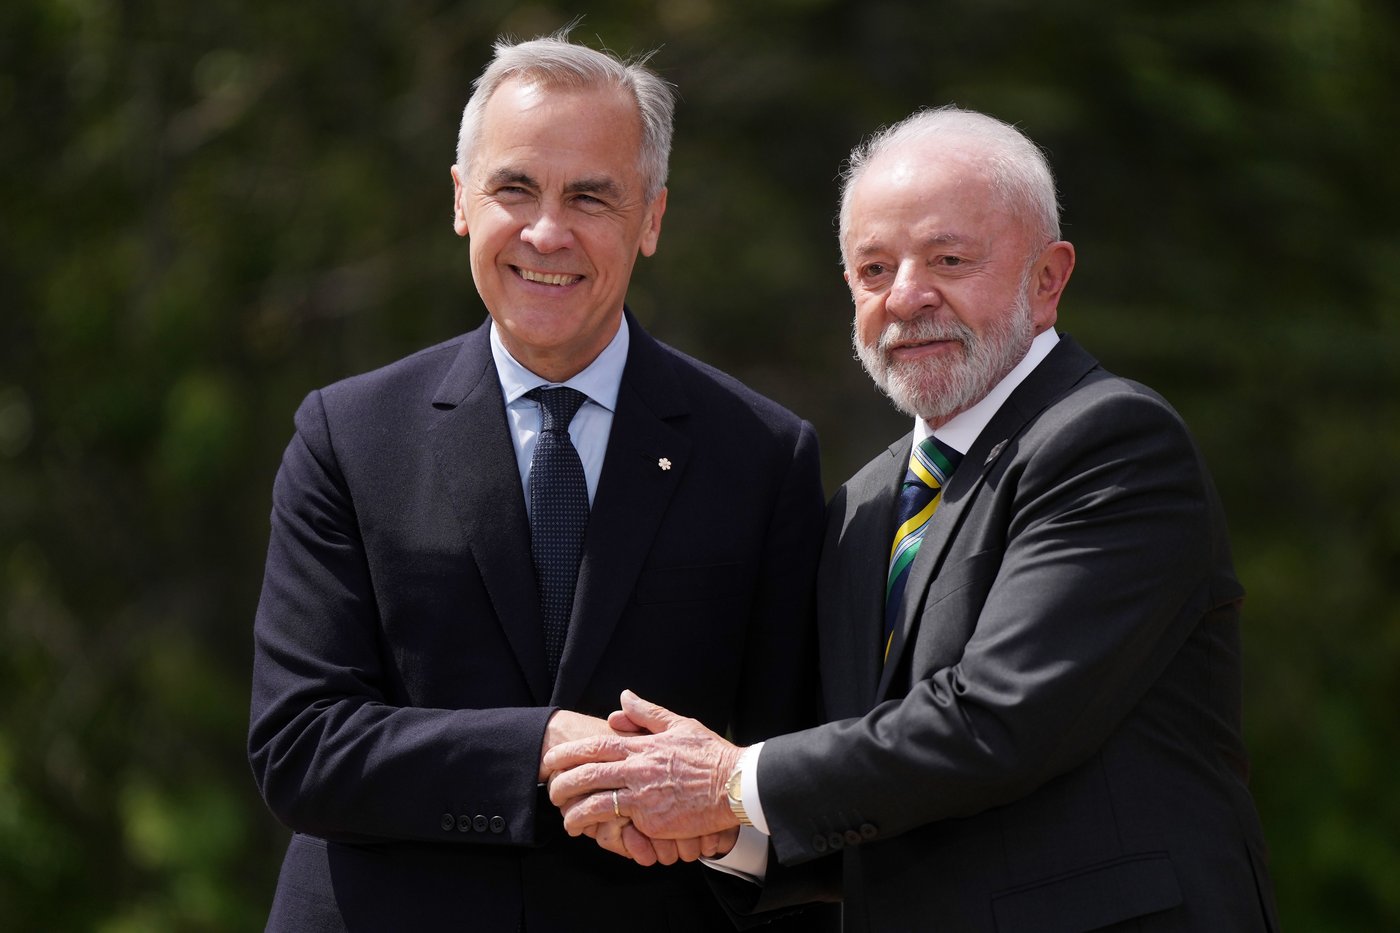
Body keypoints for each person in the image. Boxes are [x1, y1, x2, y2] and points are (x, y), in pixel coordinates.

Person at [546, 105, 1282, 932]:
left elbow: (997, 722)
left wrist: (730, 781)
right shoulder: (863, 506)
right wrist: (725, 829)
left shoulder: (1112, 443)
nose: (906, 296)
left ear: (1048, 278)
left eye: (948, 259)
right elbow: (875, 783)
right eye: (873, 269)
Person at [247, 31, 834, 932]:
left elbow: (786, 779)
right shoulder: (348, 436)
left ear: (652, 220)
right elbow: (300, 744)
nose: (547, 232)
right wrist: (541, 744)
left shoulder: (762, 456)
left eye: (590, 196)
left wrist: (717, 820)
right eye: (514, 188)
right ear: (461, 200)